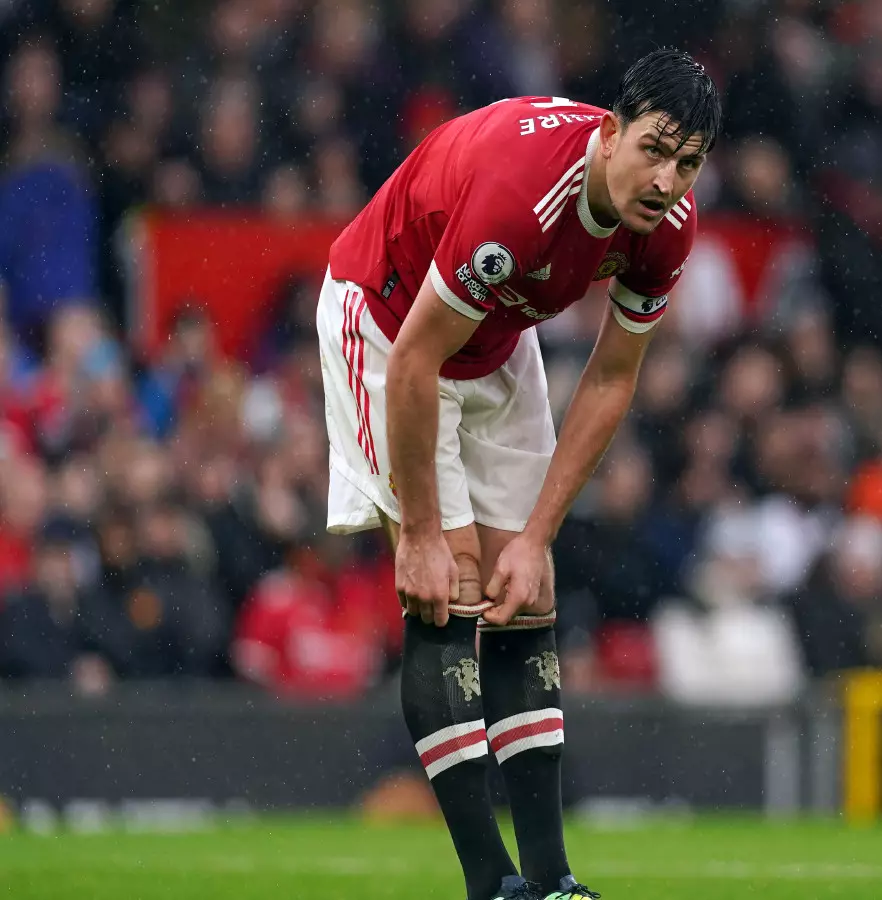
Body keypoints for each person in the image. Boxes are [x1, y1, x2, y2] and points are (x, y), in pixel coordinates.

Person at [316, 48, 720, 900]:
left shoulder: (669, 227)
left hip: (495, 340)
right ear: (609, 133)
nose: (667, 179)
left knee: (525, 592)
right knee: (450, 583)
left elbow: (612, 376)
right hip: (389, 322)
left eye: (688, 163)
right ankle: (489, 882)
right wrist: (419, 532)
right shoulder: (522, 201)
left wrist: (538, 534)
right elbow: (419, 355)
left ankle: (552, 879)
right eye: (654, 148)